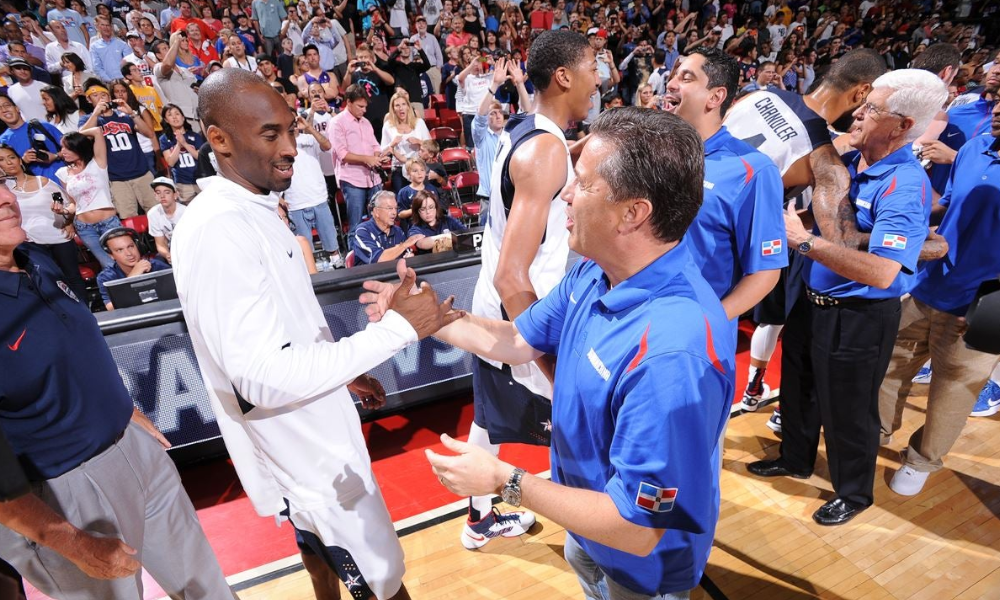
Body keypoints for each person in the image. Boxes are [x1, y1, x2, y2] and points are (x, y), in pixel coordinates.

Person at [364, 107, 733, 599]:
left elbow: (637, 528)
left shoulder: (673, 355)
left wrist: (504, 481)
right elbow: (518, 341)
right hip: (582, 523)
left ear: (633, 212)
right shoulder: (597, 269)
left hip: (642, 570)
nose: (566, 195)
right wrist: (433, 319)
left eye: (582, 183)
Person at [171, 68, 458, 600]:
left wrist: (344, 373)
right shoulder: (218, 228)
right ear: (218, 139)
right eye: (269, 134)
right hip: (307, 456)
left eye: (290, 130)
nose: (291, 149)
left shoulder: (251, 210)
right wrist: (396, 329)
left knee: (324, 560)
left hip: (309, 438)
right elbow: (260, 377)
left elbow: (281, 334)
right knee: (381, 581)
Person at [0, 187, 235, 598]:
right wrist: (65, 538)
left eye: (2, 186)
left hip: (133, 451)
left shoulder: (34, 258)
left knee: (209, 590)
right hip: (62, 491)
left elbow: (75, 343)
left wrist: (122, 406)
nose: (5, 198)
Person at [749, 70, 947, 526]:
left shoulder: (904, 185)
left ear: (901, 125)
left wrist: (805, 242)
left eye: (873, 108)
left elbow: (882, 272)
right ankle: (796, 458)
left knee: (848, 412)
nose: (859, 111)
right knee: (799, 388)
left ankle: (854, 493)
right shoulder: (854, 158)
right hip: (814, 297)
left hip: (858, 316)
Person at [458, 29, 598, 550]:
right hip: (524, 312)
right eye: (592, 66)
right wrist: (550, 362)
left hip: (510, 311)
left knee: (492, 418)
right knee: (571, 422)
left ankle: (479, 516)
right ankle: (597, 537)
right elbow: (511, 275)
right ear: (563, 76)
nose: (599, 78)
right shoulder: (544, 151)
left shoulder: (531, 132)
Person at [722, 49, 888, 418]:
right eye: (870, 103)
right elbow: (841, 243)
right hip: (721, 255)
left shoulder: (758, 95)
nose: (864, 113)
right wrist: (912, 241)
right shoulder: (824, 160)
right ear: (861, 93)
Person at [877, 101, 1000, 496]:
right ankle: (876, 430)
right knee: (889, 365)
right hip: (927, 284)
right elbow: (949, 204)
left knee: (953, 391)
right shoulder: (975, 146)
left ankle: (921, 460)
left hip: (980, 305)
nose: (997, 108)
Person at [662, 47, 786, 323]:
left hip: (691, 334)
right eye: (673, 76)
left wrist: (709, 322)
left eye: (686, 78)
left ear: (715, 96)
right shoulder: (654, 149)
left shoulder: (753, 170)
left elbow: (765, 271)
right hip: (634, 316)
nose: (671, 84)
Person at [0, 145, 86, 300]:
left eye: (11, 157)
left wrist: (69, 222)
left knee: (73, 278)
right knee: (47, 282)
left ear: (20, 160)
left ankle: (86, 315)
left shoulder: (44, 182)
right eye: (1, 160)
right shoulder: (4, 192)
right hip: (31, 244)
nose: (8, 162)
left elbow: (69, 205)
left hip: (59, 238)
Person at [81, 81, 157, 218]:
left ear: (109, 97)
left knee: (157, 212)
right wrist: (95, 114)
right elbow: (81, 136)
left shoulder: (124, 115)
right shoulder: (88, 120)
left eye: (103, 94)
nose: (100, 98)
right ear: (88, 99)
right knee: (129, 218)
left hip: (142, 173)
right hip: (117, 179)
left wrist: (133, 114)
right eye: (95, 95)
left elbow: (149, 133)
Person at [285, 112, 345, 268]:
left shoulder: (309, 139)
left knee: (332, 245)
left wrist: (309, 127)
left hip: (319, 199)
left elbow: (327, 145)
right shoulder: (279, 144)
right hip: (295, 203)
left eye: (294, 120)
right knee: (305, 251)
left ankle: (337, 267)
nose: (292, 124)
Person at [56, 128, 119, 270]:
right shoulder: (62, 173)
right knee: (108, 265)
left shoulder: (97, 162)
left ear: (78, 147)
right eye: (61, 147)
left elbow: (97, 131)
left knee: (122, 259)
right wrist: (64, 211)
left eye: (67, 147)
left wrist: (72, 136)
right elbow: (73, 204)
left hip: (108, 222)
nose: (62, 151)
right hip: (84, 228)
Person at [331, 84, 389, 236]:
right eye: (360, 106)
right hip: (352, 179)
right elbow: (342, 154)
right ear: (348, 102)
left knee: (379, 220)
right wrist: (367, 159)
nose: (364, 110)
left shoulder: (366, 122)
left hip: (373, 178)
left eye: (365, 107)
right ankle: (355, 258)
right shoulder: (337, 123)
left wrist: (377, 156)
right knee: (355, 225)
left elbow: (375, 145)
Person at [96, 226, 171, 310]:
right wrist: (132, 277)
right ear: (111, 256)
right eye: (120, 250)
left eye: (131, 246)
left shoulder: (158, 266)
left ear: (138, 247)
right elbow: (110, 307)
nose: (128, 253)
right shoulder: (106, 277)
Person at [0, 92, 66, 183]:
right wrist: (23, 161)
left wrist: (55, 156)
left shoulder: (42, 126)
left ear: (17, 108)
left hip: (66, 179)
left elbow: (74, 149)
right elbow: (7, 172)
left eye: (7, 105)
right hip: (38, 189)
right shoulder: (3, 141)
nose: (4, 110)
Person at [352, 190, 424, 264]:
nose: (394, 212)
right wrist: (404, 245)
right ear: (376, 211)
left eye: (396, 208)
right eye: (389, 208)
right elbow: (378, 259)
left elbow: (407, 253)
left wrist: (409, 256)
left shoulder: (398, 231)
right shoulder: (363, 231)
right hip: (369, 274)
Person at [380, 92, 431, 192]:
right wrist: (392, 144)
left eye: (403, 104)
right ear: (393, 109)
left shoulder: (419, 123)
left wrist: (419, 141)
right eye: (397, 105)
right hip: (399, 169)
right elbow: (382, 152)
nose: (401, 108)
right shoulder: (388, 126)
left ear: (408, 107)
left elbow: (431, 146)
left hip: (418, 168)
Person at [343, 43, 395, 135]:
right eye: (360, 57)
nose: (362, 60)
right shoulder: (354, 74)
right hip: (363, 117)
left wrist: (375, 69)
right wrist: (348, 72)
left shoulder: (378, 72)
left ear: (371, 58)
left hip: (381, 116)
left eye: (365, 57)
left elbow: (391, 81)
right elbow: (344, 89)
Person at [159, 104, 205, 202]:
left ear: (183, 118)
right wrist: (179, 145)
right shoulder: (164, 139)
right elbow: (170, 162)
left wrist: (184, 143)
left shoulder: (195, 136)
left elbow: (199, 157)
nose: (175, 117)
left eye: (177, 114)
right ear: (166, 120)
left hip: (200, 180)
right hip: (182, 183)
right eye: (170, 115)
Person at [147, 176, 186, 263]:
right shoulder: (152, 214)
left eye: (167, 192)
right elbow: (160, 244)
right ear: (155, 196)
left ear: (175, 195)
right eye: (158, 192)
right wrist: (167, 255)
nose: (162, 196)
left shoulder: (185, 211)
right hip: (170, 250)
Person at [395, 156, 439, 222]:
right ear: (408, 173)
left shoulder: (431, 188)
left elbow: (437, 207)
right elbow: (400, 214)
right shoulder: (404, 192)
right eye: (415, 171)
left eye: (422, 170)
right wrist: (416, 208)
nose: (419, 173)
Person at [7, 58, 48, 123]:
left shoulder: (44, 87)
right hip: (29, 129)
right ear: (12, 71)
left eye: (25, 68)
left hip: (50, 126)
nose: (22, 71)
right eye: (18, 68)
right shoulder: (11, 90)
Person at [89, 15, 130, 82]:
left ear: (111, 27)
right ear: (97, 27)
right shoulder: (94, 46)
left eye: (108, 25)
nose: (106, 28)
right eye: (103, 25)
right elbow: (97, 67)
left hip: (125, 80)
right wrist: (110, 81)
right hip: (107, 82)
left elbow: (129, 62)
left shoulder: (122, 44)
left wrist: (126, 78)